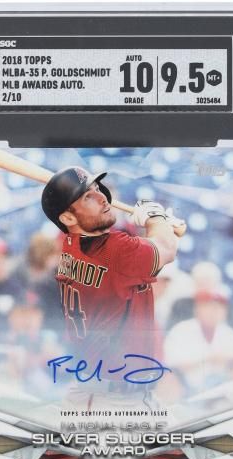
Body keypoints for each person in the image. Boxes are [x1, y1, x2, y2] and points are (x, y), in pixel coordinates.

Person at [40, 166, 180, 403]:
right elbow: (167, 248)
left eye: (97, 188)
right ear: (68, 218)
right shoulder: (114, 250)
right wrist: (156, 217)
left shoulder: (70, 246)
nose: (102, 197)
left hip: (96, 388)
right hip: (114, 398)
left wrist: (161, 227)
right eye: (88, 196)